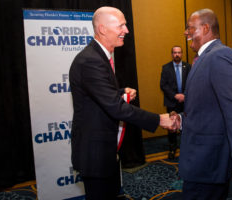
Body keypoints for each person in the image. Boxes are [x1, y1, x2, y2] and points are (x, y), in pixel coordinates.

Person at [69, 6, 175, 200]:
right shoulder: (90, 60)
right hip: (95, 152)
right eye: (122, 25)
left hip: (104, 149)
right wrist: (159, 119)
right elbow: (114, 107)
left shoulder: (99, 56)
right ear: (102, 29)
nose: (126, 30)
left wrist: (119, 92)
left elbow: (96, 94)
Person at [172, 9, 232, 199]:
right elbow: (207, 110)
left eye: (190, 28)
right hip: (200, 162)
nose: (186, 33)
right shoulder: (203, 58)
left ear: (206, 28)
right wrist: (182, 120)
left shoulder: (221, 56)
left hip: (208, 164)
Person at [160, 46, 191, 160]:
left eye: (179, 52)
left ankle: (186, 147)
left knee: (186, 126)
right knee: (172, 127)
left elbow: (191, 83)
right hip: (171, 102)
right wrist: (175, 95)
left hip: (185, 102)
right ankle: (172, 149)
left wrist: (185, 95)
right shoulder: (166, 68)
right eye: (174, 53)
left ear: (182, 54)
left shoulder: (188, 67)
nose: (177, 54)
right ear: (172, 54)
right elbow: (163, 85)